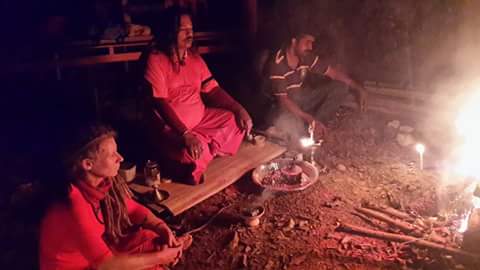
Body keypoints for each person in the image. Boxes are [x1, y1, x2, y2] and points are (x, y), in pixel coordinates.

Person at [39, 124, 192, 270]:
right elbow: (106, 265)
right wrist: (160, 257)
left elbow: (134, 210)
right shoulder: (73, 204)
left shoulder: (102, 184)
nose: (120, 158)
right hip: (85, 267)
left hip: (94, 260)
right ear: (87, 164)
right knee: (148, 257)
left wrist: (161, 227)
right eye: (112, 154)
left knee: (149, 238)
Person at [144, 7, 252, 185]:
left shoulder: (195, 59)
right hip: (172, 130)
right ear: (170, 31)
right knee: (189, 154)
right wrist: (185, 134)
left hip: (201, 120)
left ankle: (202, 151)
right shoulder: (155, 59)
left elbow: (213, 90)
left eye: (191, 29)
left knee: (235, 121)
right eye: (183, 29)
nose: (190, 33)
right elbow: (159, 101)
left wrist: (238, 108)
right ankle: (196, 155)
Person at [264, 25, 368, 141]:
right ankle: (306, 126)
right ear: (294, 42)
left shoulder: (305, 56)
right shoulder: (277, 63)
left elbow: (332, 73)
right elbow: (283, 101)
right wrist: (308, 118)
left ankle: (317, 127)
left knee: (340, 87)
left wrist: (357, 87)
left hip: (300, 99)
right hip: (281, 108)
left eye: (312, 43)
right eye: (307, 42)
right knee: (290, 127)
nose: (310, 47)